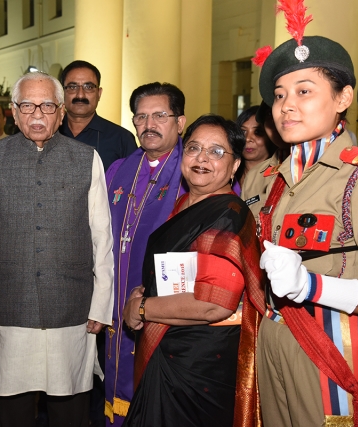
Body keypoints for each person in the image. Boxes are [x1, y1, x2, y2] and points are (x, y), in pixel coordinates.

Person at [255, 2, 358, 425]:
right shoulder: (271, 179)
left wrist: (310, 285)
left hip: (336, 358)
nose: (287, 105)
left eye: (304, 91)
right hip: (274, 351)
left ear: (343, 98)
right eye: (279, 95)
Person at [0, 71, 114, 427]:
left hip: (71, 312)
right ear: (13, 111)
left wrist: (102, 304)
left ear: (60, 112)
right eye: (27, 105)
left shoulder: (87, 159)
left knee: (70, 410)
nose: (37, 114)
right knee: (13, 412)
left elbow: (102, 238)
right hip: (11, 310)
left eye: (47, 105)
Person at [120, 114, 264, 427]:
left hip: (198, 364)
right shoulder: (186, 202)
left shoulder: (227, 215)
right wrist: (142, 292)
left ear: (235, 165)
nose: (202, 159)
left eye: (216, 152)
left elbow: (213, 302)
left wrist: (142, 307)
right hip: (171, 347)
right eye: (194, 148)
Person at [104, 82, 187, 426]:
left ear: (180, 123)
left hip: (168, 309)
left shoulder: (196, 170)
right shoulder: (118, 170)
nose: (148, 124)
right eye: (141, 116)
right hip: (115, 302)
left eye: (160, 115)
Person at [59, 60, 137, 171]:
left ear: (99, 93)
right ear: (62, 93)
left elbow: (132, 184)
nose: (80, 95)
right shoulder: (49, 134)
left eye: (89, 87)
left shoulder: (121, 139)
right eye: (72, 87)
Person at [232, 105, 276, 196]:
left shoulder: (278, 178)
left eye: (258, 132)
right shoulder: (228, 174)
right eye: (243, 132)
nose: (248, 138)